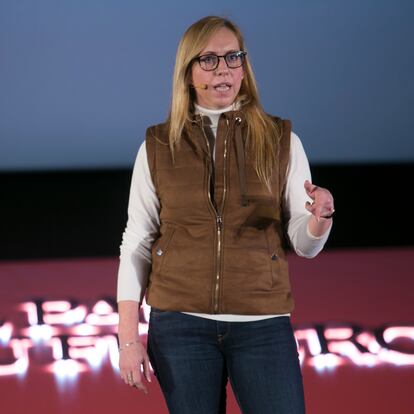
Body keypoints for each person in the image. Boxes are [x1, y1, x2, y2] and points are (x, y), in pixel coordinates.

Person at [116, 15, 334, 414]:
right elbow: (138, 240)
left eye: (233, 58)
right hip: (180, 325)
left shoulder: (281, 139)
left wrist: (320, 219)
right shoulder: (158, 145)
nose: (224, 69)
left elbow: (304, 244)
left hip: (262, 324)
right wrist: (128, 338)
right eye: (210, 59)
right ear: (188, 73)